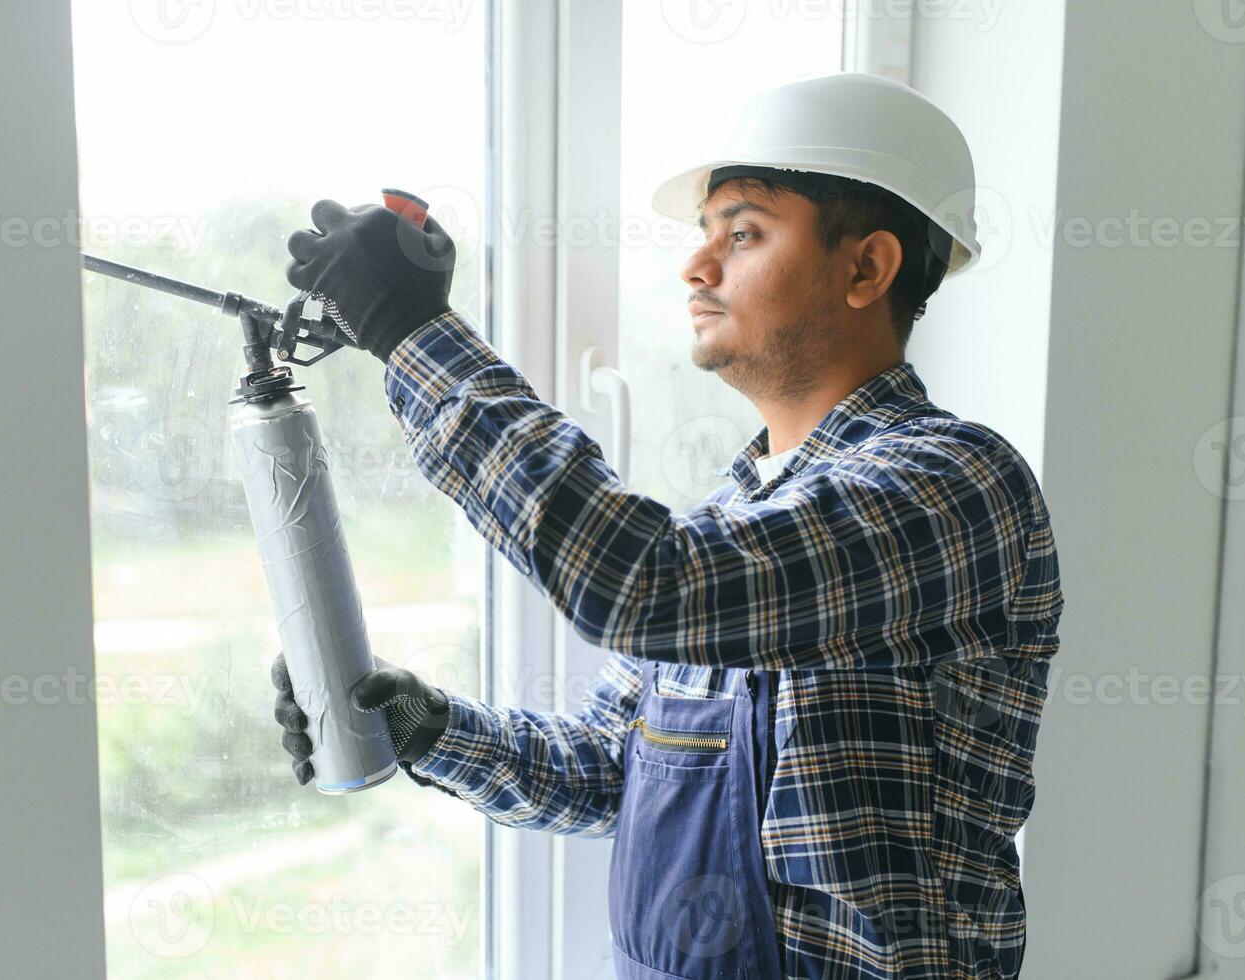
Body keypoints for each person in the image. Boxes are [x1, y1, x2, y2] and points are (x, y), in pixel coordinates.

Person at [271, 71, 1063, 979]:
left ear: (865, 268)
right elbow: (606, 770)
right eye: (704, 235)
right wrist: (423, 725)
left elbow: (635, 582)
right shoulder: (740, 521)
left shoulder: (948, 487)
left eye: (745, 232)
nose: (697, 265)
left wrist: (413, 333)